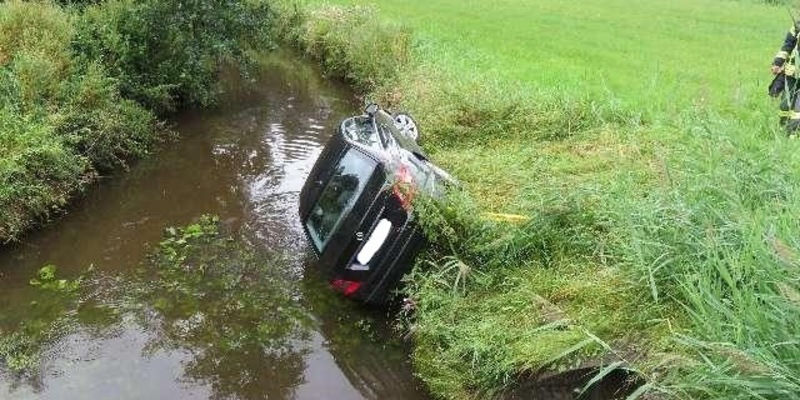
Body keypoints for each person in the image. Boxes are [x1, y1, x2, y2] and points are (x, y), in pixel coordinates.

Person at [770, 23, 800, 134]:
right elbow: (787, 46)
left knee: (798, 109)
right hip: (791, 74)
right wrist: (777, 63)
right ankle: (783, 129)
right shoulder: (797, 26)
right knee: (785, 106)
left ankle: (794, 133)